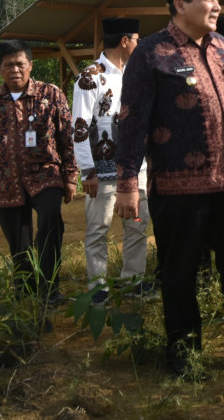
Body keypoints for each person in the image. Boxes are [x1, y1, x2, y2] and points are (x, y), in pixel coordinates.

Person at [114, 0, 224, 377]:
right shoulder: (151, 53)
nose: (217, 5)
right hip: (179, 190)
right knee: (180, 274)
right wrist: (128, 183)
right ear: (180, 5)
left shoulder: (222, 47)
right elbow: (130, 122)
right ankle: (185, 355)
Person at [0, 40, 76, 306]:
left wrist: (71, 176)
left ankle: (50, 289)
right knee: (19, 243)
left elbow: (67, 138)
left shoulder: (51, 94)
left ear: (30, 65)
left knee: (50, 224)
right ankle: (25, 293)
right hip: (7, 182)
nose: (15, 70)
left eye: (20, 64)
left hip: (46, 176)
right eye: (8, 65)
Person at [73, 17, 152, 303]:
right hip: (102, 167)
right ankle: (98, 286)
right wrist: (87, 171)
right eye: (136, 39)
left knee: (137, 225)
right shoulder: (90, 76)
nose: (139, 45)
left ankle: (133, 279)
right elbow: (79, 125)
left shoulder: (136, 73)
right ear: (124, 41)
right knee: (98, 228)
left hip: (135, 166)